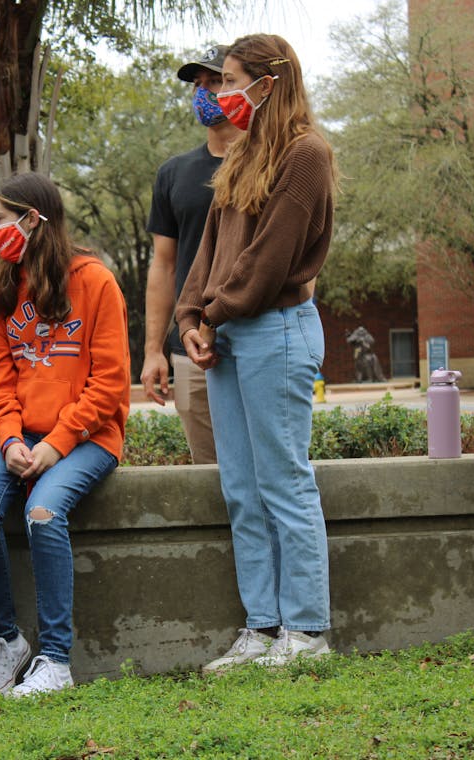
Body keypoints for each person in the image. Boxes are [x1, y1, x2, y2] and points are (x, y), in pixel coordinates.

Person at [175, 34, 338, 670]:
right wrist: (191, 318)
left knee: (283, 481)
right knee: (241, 487)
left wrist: (211, 314)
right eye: (217, 82)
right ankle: (263, 627)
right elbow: (209, 253)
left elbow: (269, 261)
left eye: (231, 79)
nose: (219, 94)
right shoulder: (241, 155)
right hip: (230, 333)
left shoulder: (306, 154)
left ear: (268, 84)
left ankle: (308, 631)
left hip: (277, 329)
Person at [0, 172, 130, 699]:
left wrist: (55, 444)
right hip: (22, 440)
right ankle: (8, 640)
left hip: (89, 439)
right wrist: (12, 440)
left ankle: (56, 661)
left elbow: (109, 382)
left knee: (43, 512)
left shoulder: (95, 282)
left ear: (32, 219)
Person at [141, 45, 240, 465]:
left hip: (258, 338)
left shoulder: (274, 162)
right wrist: (153, 350)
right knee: (209, 473)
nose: (204, 92)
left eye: (216, 81)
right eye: (199, 84)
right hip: (192, 346)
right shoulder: (174, 173)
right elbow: (163, 266)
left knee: (269, 469)